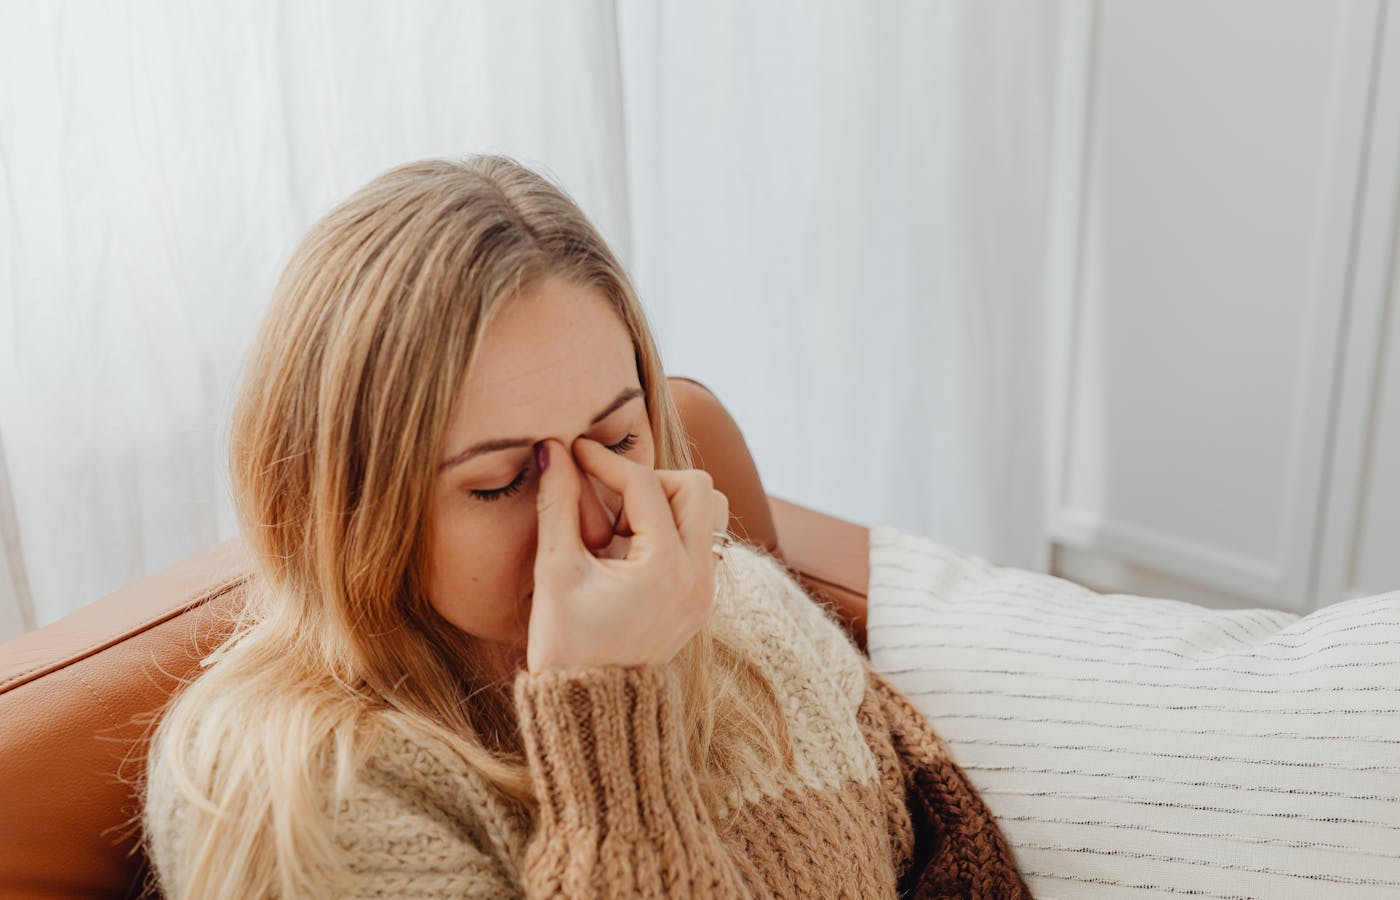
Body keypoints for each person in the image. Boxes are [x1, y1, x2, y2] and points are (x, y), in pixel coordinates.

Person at [141, 155, 1029, 898]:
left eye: (616, 439)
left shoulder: (741, 604)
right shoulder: (289, 797)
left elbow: (953, 856)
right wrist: (606, 709)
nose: (592, 517)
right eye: (498, 482)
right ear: (349, 510)